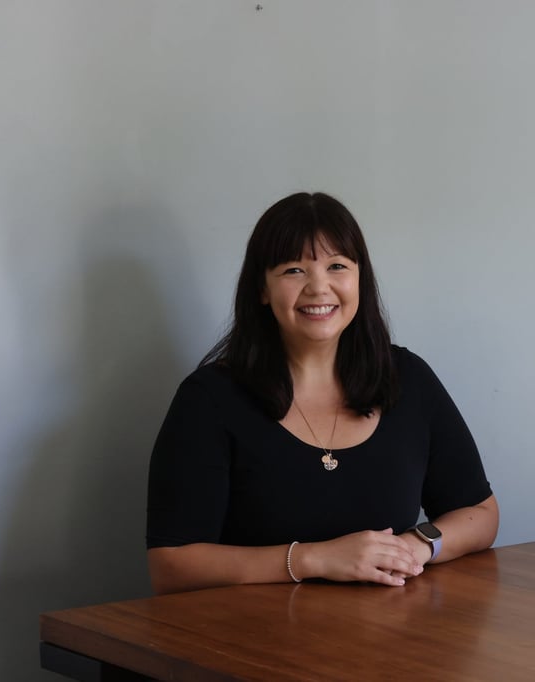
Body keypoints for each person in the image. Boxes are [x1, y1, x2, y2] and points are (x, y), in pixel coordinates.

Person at [145, 192, 499, 594]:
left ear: (359, 278)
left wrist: (416, 545)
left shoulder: (408, 378)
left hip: (389, 643)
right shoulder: (208, 400)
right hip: (251, 641)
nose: (319, 287)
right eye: (294, 270)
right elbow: (170, 564)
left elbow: (480, 513)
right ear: (262, 288)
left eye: (336, 266)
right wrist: (315, 558)